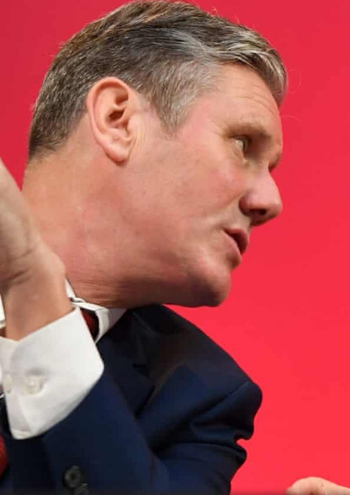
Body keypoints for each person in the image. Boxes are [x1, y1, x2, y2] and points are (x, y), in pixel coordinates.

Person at [0, 1, 286, 491]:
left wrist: (36, 294)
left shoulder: (205, 397)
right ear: (118, 120)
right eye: (243, 145)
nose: (271, 201)